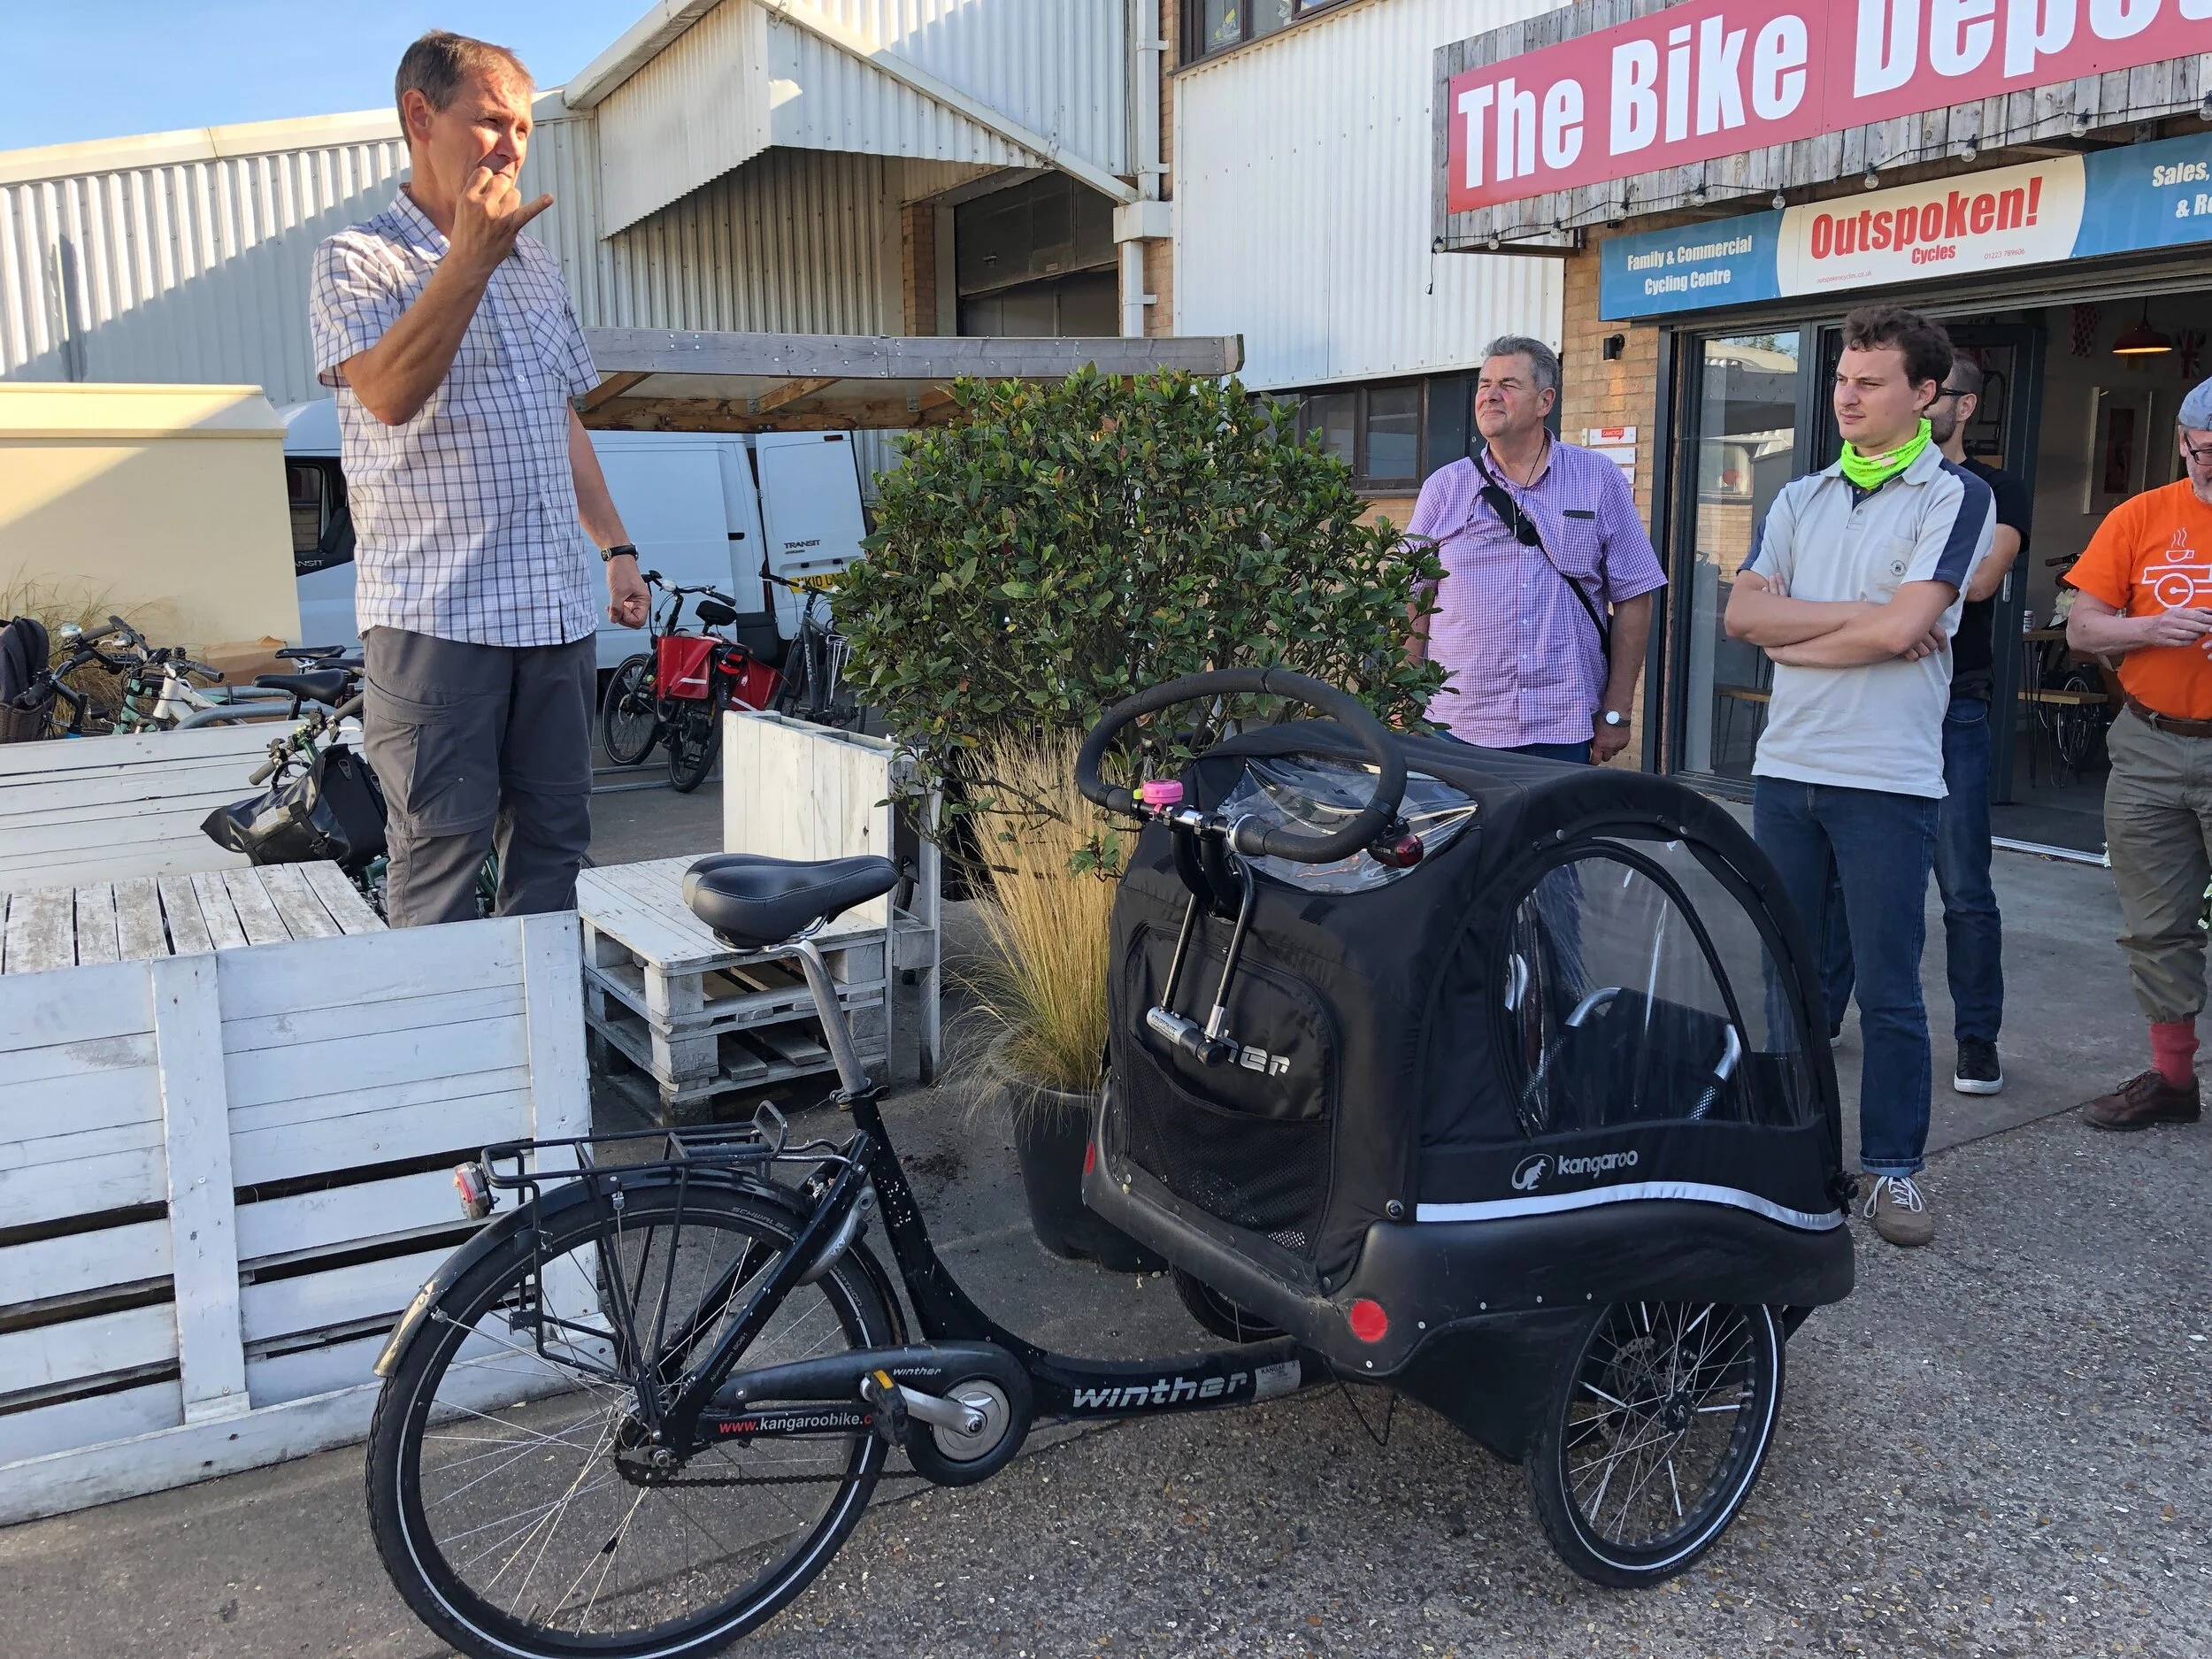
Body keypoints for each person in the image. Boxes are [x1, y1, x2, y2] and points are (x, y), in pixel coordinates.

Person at [308, 31, 647, 927]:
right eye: (490, 119)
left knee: (554, 846)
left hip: (553, 614)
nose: (509, 144)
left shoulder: (536, 263)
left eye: (523, 129)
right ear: (421, 116)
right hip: (438, 617)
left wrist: (615, 547)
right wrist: (469, 256)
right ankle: (449, 1061)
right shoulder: (358, 258)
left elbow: (557, 413)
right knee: (440, 855)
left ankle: (534, 1053)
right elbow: (387, 393)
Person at [1724, 305, 1993, 1248]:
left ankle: (1894, 1172)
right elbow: (1740, 620)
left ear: (1924, 394)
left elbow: (1896, 627)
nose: (1847, 394)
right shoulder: (1799, 498)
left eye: (1870, 381)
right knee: (1780, 981)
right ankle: (1779, 1161)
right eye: (1843, 378)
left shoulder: (1952, 498)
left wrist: (1802, 632)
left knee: (1885, 990)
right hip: (1785, 772)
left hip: (1886, 780)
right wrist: (1861, 622)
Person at [1821, 355, 2030, 1094]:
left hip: (1952, 708)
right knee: (1851, 877)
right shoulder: (1845, 489)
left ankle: (1977, 1037)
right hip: (1868, 698)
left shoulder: (1994, 492)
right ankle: (1822, 1014)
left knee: (1965, 886)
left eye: (1936, 395)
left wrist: (1891, 597)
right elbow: (1825, 586)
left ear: (1956, 404)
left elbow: (1973, 583)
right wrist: (1891, 609)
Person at [1405, 335, 1664, 763]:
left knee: (1556, 833)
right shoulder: (1445, 487)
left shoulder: (1597, 479)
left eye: (1508, 384)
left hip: (1563, 725)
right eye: (1484, 383)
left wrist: (1618, 712)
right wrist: (1405, 693)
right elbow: (1413, 594)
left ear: (1545, 402)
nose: (1490, 394)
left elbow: (1635, 597)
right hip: (1456, 725)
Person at [2068, 375, 2212, 1130]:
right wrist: (2150, 629)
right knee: (2156, 924)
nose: (2209, 466)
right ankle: (2172, 1080)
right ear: (2182, 441)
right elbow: (2083, 629)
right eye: (2202, 451)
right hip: (2152, 745)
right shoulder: (2142, 515)